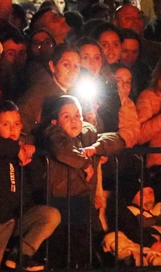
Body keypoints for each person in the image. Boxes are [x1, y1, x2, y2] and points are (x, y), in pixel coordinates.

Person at [36, 95, 124, 268]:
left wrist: (96, 148)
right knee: (65, 253)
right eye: (66, 116)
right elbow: (62, 150)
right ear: (55, 120)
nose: (74, 121)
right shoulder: (53, 132)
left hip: (84, 200)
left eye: (77, 115)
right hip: (62, 200)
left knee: (85, 251)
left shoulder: (88, 132)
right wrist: (85, 164)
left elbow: (117, 140)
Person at [0, 100, 60, 272]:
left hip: (20, 216)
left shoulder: (22, 146)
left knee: (50, 215)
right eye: (6, 124)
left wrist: (28, 158)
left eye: (16, 124)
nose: (13, 129)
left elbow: (37, 181)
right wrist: (17, 150)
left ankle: (20, 255)